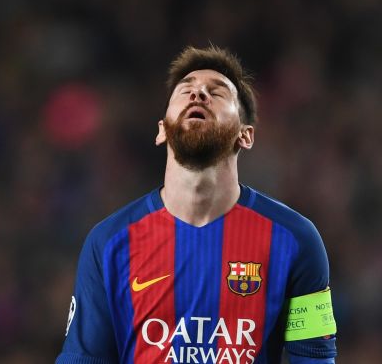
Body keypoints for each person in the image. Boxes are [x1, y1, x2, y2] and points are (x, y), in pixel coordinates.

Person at [57, 45, 337, 363]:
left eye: (216, 92)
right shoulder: (108, 242)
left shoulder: (297, 240)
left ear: (245, 135)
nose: (199, 94)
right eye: (186, 90)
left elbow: (315, 358)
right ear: (162, 130)